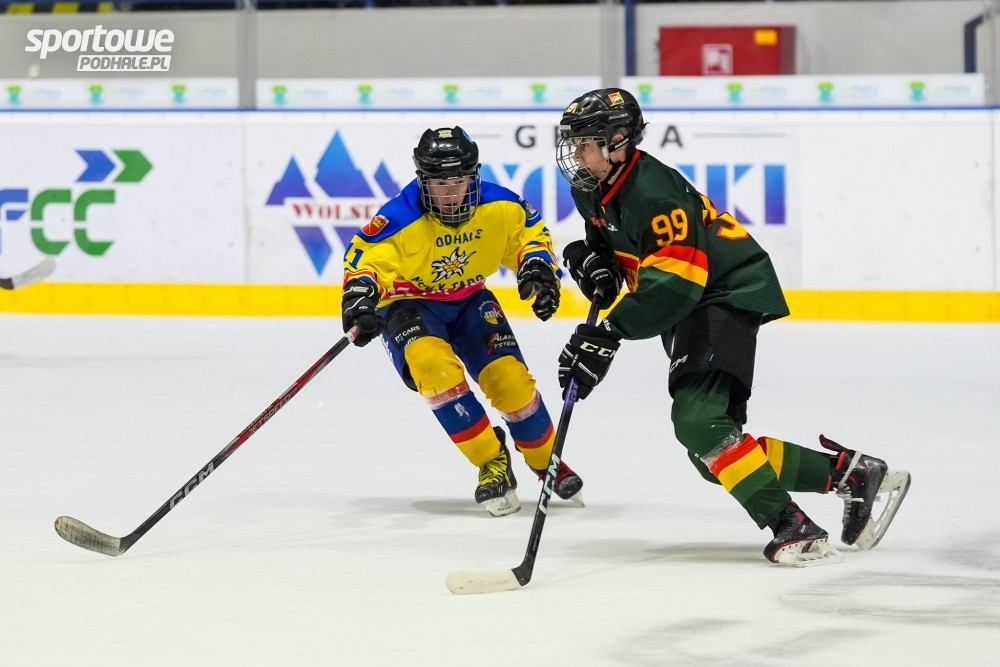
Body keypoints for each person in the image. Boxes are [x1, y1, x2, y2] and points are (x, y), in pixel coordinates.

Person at [553, 88, 911, 565]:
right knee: (714, 453)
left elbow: (676, 283)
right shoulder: (590, 187)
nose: (576, 155)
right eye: (574, 143)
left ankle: (794, 526)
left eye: (586, 144)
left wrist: (609, 332)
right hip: (691, 304)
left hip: (722, 292)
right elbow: (617, 246)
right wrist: (595, 261)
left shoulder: (655, 194)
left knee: (699, 423)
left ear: (618, 141)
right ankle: (850, 475)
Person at [341, 126, 583, 517]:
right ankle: (492, 461)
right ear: (423, 181)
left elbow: (529, 237)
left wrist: (538, 268)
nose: (451, 193)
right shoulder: (400, 217)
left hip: (470, 300)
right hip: (408, 305)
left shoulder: (501, 205)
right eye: (440, 184)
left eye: (459, 181)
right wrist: (359, 297)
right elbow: (365, 261)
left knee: (510, 382)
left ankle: (544, 462)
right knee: (434, 371)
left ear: (474, 176)